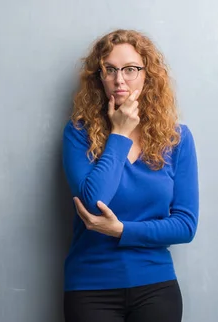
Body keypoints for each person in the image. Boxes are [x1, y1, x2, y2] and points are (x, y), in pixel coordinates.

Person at [61, 29, 199, 322]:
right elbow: (93, 200)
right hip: (90, 287)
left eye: (130, 69)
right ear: (99, 77)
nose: (118, 79)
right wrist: (119, 134)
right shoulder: (78, 134)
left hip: (156, 286)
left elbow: (185, 225)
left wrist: (121, 230)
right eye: (109, 69)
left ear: (147, 74)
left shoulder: (177, 139)